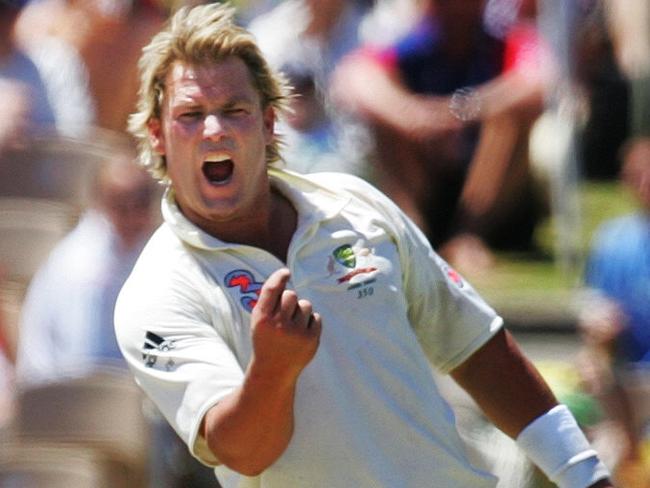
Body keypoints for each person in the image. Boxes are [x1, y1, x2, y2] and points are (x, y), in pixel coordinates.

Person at [115, 4, 613, 487]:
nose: (215, 130)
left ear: (269, 124)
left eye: (235, 110)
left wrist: (585, 475)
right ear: (157, 134)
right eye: (191, 114)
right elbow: (243, 454)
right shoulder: (158, 291)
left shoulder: (355, 206)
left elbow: (478, 350)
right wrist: (274, 370)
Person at [332, 0, 552, 271]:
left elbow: (539, 83)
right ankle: (412, 232)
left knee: (507, 122)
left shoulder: (504, 43)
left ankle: (469, 236)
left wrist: (467, 109)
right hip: (426, 178)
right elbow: (355, 77)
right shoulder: (414, 45)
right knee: (385, 124)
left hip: (499, 193)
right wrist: (415, 117)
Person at [15, 150, 157, 386]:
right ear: (100, 203)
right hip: (69, 395)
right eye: (121, 206)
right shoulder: (74, 266)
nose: (132, 216)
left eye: (141, 203)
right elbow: (72, 360)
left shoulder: (159, 252)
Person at [578, 136, 650, 481]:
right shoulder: (612, 239)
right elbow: (595, 308)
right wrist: (599, 326)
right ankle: (626, 449)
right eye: (636, 174)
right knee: (592, 366)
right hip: (627, 383)